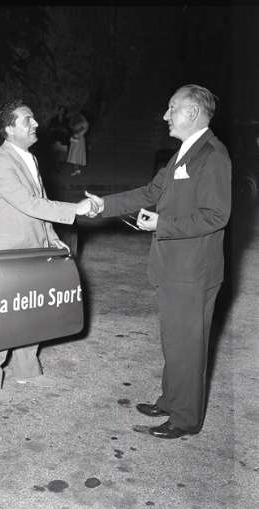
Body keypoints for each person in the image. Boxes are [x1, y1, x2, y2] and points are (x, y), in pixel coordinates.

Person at [86, 84, 231, 438]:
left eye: (172, 108)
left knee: (188, 345)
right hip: (173, 268)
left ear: (192, 113)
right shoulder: (184, 152)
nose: (166, 115)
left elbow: (216, 215)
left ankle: (185, 419)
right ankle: (170, 400)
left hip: (193, 272)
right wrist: (104, 205)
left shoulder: (213, 155)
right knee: (174, 340)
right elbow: (150, 192)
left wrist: (161, 224)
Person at [0, 99, 93, 398]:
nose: (36, 124)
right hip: (6, 251)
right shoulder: (1, 162)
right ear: (9, 128)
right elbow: (27, 203)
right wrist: (74, 209)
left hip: (33, 247)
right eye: (28, 120)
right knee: (1, 318)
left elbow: (38, 203)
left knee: (31, 311)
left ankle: (26, 370)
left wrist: (50, 235)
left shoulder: (29, 158)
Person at [67, 112, 89, 176]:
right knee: (75, 155)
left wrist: (78, 135)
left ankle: (77, 170)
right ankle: (77, 170)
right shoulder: (76, 121)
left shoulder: (84, 122)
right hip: (76, 138)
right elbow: (72, 128)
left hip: (79, 139)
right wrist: (74, 135)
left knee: (76, 155)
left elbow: (84, 130)